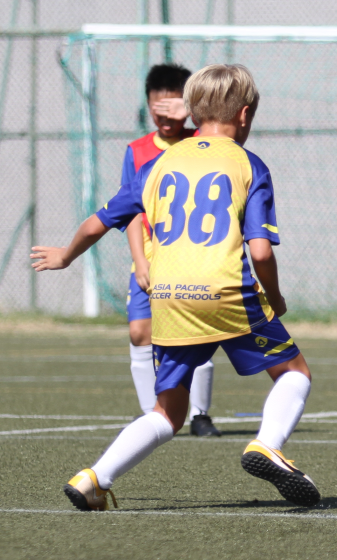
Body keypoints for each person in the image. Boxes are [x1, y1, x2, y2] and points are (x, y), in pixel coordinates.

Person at [33, 64, 321, 509]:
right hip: (227, 291)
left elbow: (100, 219)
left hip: (166, 298)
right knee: (293, 372)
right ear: (245, 116)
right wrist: (276, 297)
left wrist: (65, 256)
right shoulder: (249, 163)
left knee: (167, 412)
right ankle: (267, 444)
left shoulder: (157, 163)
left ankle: (94, 478)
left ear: (194, 111)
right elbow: (260, 252)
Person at [122, 63, 219, 436]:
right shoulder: (137, 150)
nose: (164, 116)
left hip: (194, 262)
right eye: (156, 108)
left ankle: (200, 415)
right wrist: (140, 260)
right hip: (151, 261)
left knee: (197, 334)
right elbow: (130, 213)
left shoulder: (203, 143)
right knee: (139, 332)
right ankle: (153, 413)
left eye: (172, 107)